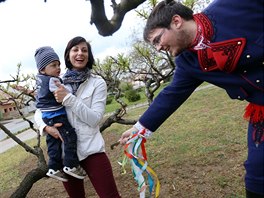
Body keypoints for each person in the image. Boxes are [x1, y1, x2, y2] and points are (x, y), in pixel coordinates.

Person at [119, 0, 264, 197]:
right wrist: (138, 129)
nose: (158, 48)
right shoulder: (187, 63)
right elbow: (171, 94)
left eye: (157, 40)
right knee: (257, 174)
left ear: (176, 21)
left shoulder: (232, 5)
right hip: (261, 108)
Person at [35, 36, 121, 198]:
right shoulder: (56, 81)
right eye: (75, 50)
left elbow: (95, 119)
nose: (80, 53)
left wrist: (68, 98)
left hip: (91, 150)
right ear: (68, 55)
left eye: (84, 50)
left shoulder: (97, 83)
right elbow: (40, 111)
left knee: (111, 195)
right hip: (66, 156)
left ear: (88, 55)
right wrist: (46, 128)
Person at [35, 46, 86, 182]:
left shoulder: (39, 81)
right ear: (42, 69)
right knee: (69, 136)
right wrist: (69, 89)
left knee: (53, 142)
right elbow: (63, 91)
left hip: (46, 116)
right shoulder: (53, 80)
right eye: (53, 65)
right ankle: (70, 164)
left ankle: (53, 167)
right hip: (56, 114)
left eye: (58, 65)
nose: (58, 68)